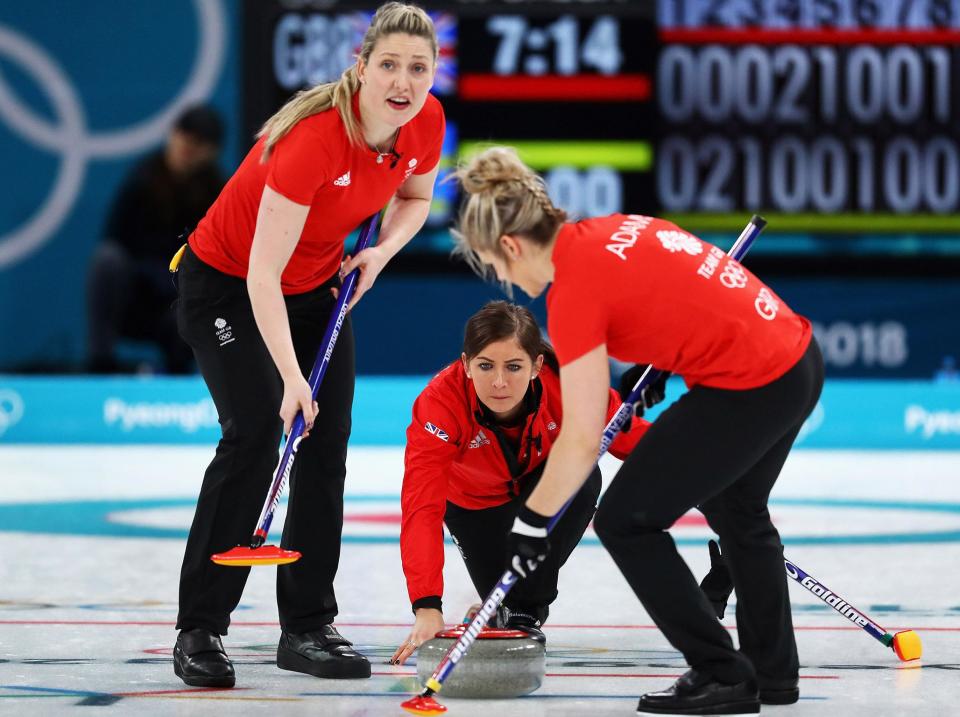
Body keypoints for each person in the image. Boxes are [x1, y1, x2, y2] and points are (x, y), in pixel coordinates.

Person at [450, 147, 824, 715]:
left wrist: (531, 523)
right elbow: (689, 288)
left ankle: (721, 671)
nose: (508, 282)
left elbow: (580, 437)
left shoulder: (573, 293)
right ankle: (772, 676)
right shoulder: (617, 228)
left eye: (497, 267)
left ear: (509, 245)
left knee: (626, 521)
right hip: (796, 358)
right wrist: (667, 355)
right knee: (739, 511)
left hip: (750, 383)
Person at [171, 2, 445, 688]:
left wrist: (381, 252)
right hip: (229, 284)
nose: (404, 81)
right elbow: (261, 272)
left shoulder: (426, 123)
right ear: (361, 69)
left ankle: (307, 626)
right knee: (259, 430)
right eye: (389, 64)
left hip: (317, 282)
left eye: (419, 66)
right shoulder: (316, 140)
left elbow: (413, 199)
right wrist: (293, 378)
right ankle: (200, 627)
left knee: (326, 445)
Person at [389, 301, 649, 665]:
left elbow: (640, 445)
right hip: (473, 506)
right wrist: (426, 605)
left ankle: (524, 614)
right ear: (465, 365)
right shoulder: (439, 406)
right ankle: (510, 608)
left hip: (546, 490)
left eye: (514, 367)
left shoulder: (572, 387)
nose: (499, 382)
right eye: (484, 366)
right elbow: (421, 507)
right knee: (505, 599)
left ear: (536, 366)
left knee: (582, 472)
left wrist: (721, 489)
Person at [87, 104, 226, 374]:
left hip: (178, 302)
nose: (187, 150)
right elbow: (115, 241)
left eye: (198, 145)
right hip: (135, 299)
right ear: (172, 135)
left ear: (211, 153)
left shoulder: (217, 193)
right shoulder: (142, 178)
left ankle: (178, 371)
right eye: (184, 139)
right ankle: (100, 363)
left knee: (202, 290)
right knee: (107, 260)